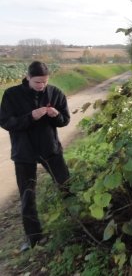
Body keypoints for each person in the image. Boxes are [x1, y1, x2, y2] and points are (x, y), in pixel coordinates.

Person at [0, 61, 71, 251]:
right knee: (27, 196)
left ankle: (75, 224)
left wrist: (56, 115)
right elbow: (7, 122)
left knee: (67, 186)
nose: (42, 86)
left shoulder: (55, 93)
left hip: (51, 149)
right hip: (24, 153)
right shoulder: (11, 95)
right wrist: (31, 117)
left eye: (45, 82)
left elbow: (64, 121)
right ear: (28, 77)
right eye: (38, 82)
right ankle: (33, 238)